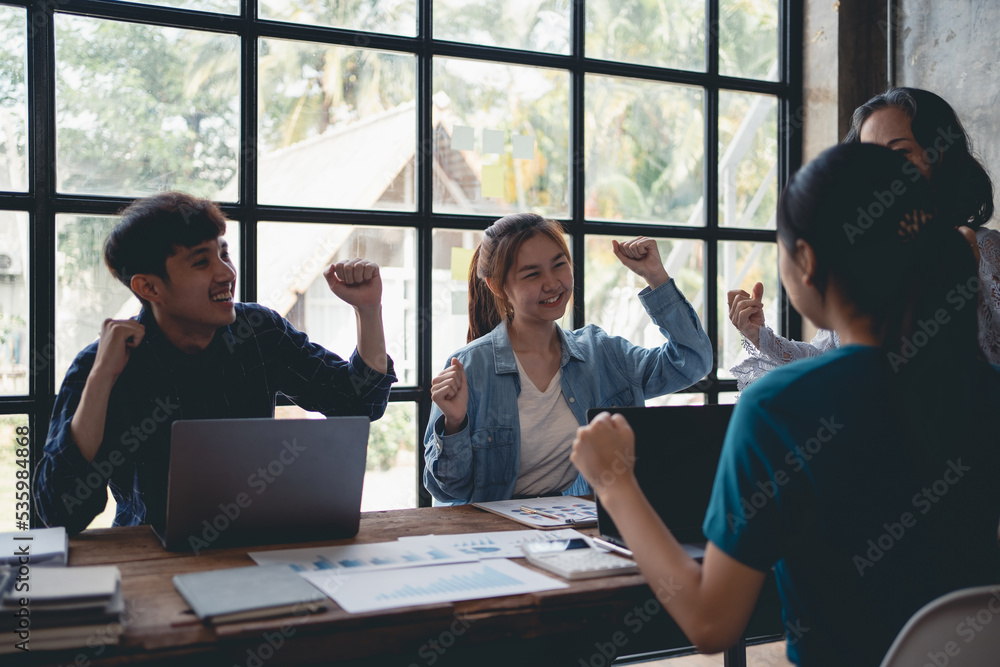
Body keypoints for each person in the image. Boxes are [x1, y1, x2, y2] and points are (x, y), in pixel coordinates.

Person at [572, 144, 1000, 666]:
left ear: (806, 262)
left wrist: (615, 483)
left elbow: (711, 622)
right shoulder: (982, 386)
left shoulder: (783, 407)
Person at [35, 192, 397, 535]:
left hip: (257, 541)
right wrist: (102, 377)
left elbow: (358, 403)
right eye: (201, 262)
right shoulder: (104, 363)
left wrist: (368, 311)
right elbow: (60, 512)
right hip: (149, 556)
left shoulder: (258, 331)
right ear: (149, 288)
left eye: (223, 255)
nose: (226, 273)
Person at [422, 213, 713, 505]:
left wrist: (655, 276)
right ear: (497, 286)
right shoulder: (470, 367)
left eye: (559, 265)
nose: (552, 283)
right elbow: (447, 490)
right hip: (493, 536)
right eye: (532, 274)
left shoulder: (601, 354)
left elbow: (691, 361)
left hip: (578, 527)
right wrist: (454, 423)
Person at [728, 87, 999, 389]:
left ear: (939, 155)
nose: (884, 170)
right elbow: (831, 359)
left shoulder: (987, 250)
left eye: (900, 153)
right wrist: (760, 337)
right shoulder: (860, 255)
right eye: (871, 157)